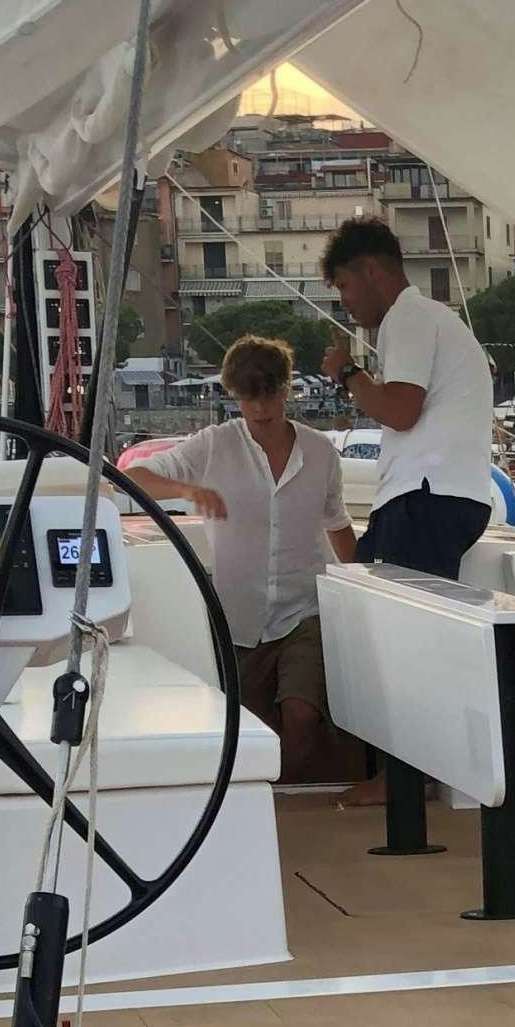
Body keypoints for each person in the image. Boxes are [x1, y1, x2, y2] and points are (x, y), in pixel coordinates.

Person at [121, 335, 362, 784]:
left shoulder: (321, 453)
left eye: (268, 394)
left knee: (303, 715)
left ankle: (280, 803)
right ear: (235, 394)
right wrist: (186, 491)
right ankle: (269, 805)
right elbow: (130, 477)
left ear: (286, 388)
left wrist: (367, 584)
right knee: (246, 728)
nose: (259, 407)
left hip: (304, 609)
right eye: (248, 396)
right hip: (238, 617)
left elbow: (336, 521)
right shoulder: (212, 445)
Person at [319, 216, 497, 581]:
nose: (344, 302)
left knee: (404, 627)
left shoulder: (408, 315)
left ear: (370, 270)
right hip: (446, 496)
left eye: (344, 285)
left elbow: (400, 411)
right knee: (371, 586)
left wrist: (348, 372)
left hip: (426, 495)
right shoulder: (428, 317)